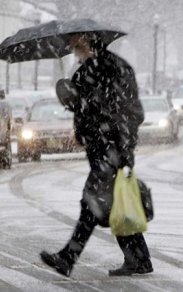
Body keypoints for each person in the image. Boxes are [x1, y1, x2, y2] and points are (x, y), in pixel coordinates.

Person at [40, 33, 153, 276]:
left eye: (76, 43)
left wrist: (122, 148)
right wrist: (69, 96)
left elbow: (133, 113)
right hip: (99, 149)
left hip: (112, 149)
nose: (72, 47)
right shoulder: (85, 71)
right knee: (114, 204)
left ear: (89, 41)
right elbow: (80, 105)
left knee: (90, 203)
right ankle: (140, 259)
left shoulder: (116, 69)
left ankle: (68, 258)